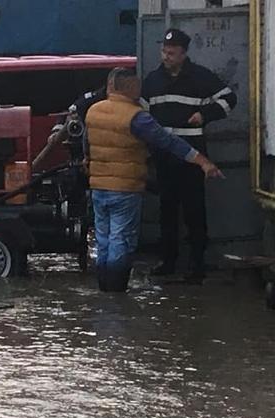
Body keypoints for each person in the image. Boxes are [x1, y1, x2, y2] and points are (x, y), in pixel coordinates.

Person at [85, 68, 223, 293]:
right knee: (121, 237)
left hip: (98, 186)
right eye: (137, 86)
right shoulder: (136, 117)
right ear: (130, 88)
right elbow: (168, 142)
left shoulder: (93, 111)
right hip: (125, 187)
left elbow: (87, 145)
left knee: (103, 238)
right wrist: (202, 161)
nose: (141, 90)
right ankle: (116, 291)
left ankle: (104, 288)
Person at [141, 28, 237, 283]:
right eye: (164, 52)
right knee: (167, 210)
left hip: (192, 157)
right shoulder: (153, 80)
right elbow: (141, 113)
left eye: (171, 53)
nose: (166, 57)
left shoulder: (200, 77)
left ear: (183, 54)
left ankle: (197, 264)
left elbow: (229, 99)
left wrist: (205, 114)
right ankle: (168, 260)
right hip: (163, 157)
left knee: (194, 211)